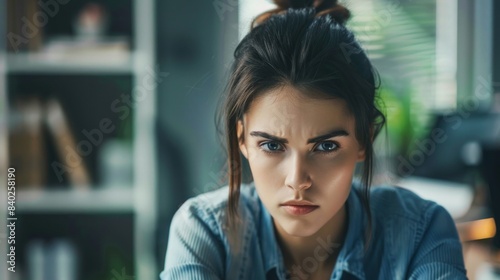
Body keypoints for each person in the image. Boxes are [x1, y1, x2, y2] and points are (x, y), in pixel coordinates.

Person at [160, 0, 467, 279]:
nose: (297, 181)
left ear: (364, 140)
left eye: (326, 146)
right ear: (242, 140)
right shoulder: (204, 231)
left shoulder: (420, 232)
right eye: (271, 145)